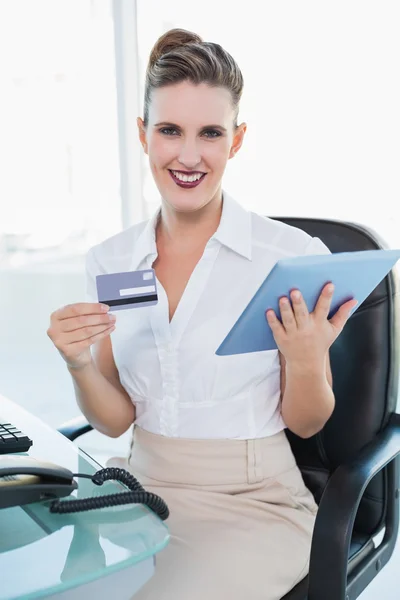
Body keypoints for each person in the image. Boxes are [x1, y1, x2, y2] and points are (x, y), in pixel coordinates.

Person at [47, 28, 357, 600]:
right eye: (169, 131)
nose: (188, 156)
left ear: (236, 141)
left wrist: (306, 358)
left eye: (210, 133)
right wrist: (77, 365)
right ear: (143, 136)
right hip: (138, 485)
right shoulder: (111, 260)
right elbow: (115, 419)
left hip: (252, 502)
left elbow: (308, 424)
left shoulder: (291, 259)